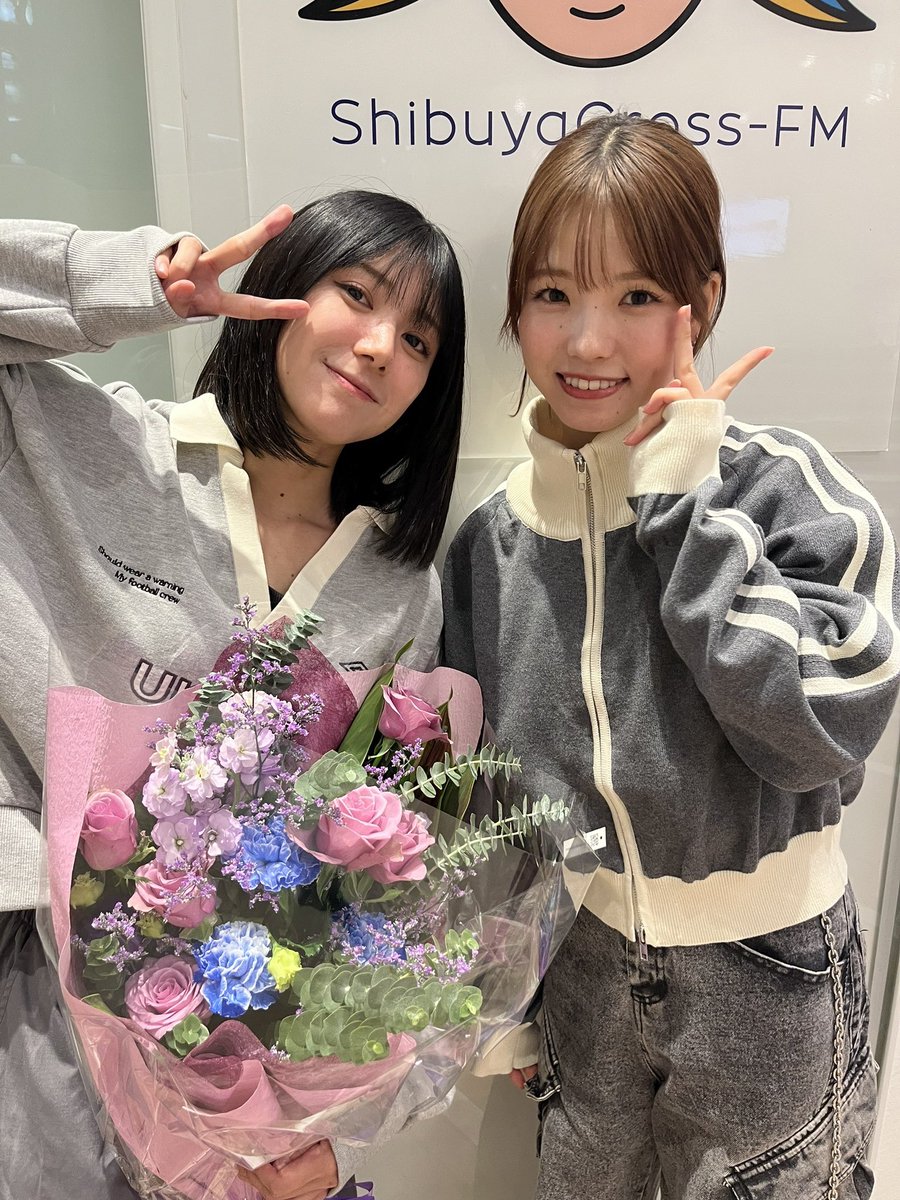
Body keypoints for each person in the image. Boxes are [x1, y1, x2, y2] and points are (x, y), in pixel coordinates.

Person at [442, 113, 899, 1199]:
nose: (588, 342)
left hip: (770, 970)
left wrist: (683, 505)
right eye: (553, 294)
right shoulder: (491, 544)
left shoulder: (783, 489)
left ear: (704, 299)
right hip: (581, 973)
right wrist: (504, 1001)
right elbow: (484, 804)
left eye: (638, 296)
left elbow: (820, 733)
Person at [0, 193, 465, 1200]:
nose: (379, 345)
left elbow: (390, 874)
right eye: (356, 294)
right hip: (27, 990)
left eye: (419, 339)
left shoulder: (399, 585)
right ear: (284, 289)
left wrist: (337, 1122)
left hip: (234, 1050)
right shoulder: (96, 444)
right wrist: (137, 285)